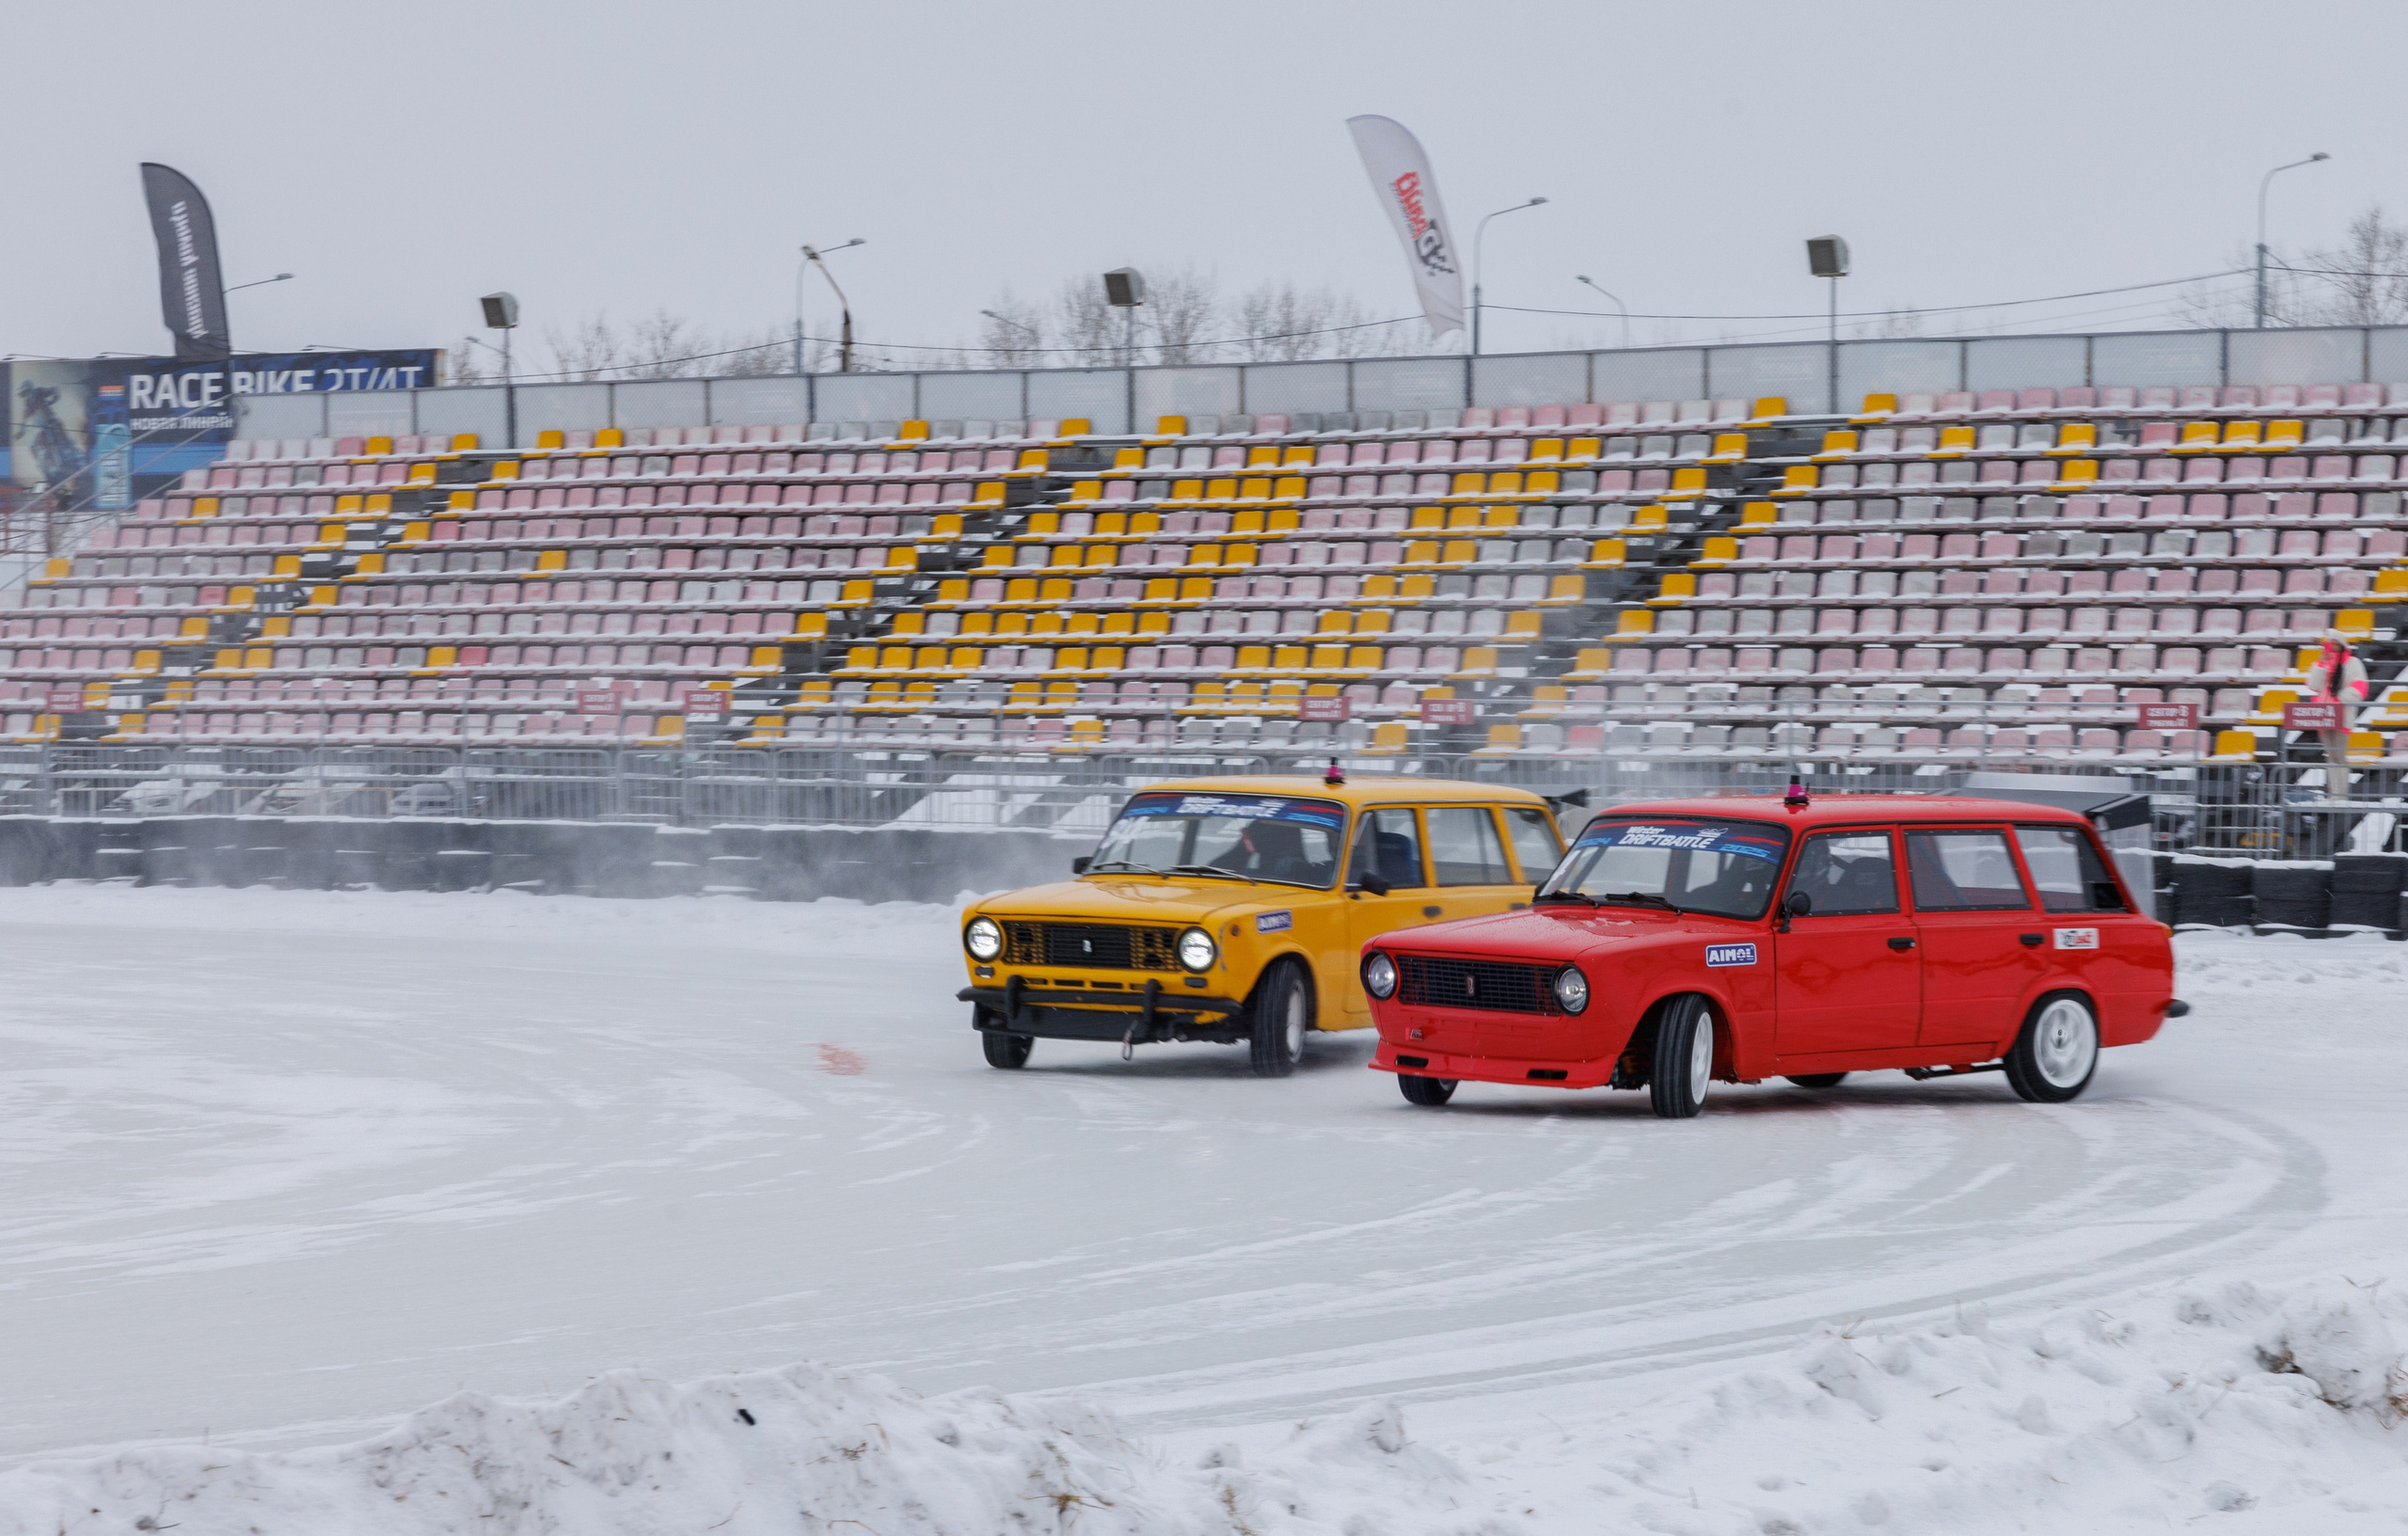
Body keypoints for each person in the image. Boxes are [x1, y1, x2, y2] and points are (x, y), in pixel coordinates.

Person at [2302, 627, 2370, 784]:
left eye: (2335, 644)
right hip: (2324, 716)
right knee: (2330, 757)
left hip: (2342, 715)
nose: (2332, 647)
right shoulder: (2321, 664)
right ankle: (2334, 795)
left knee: (2339, 756)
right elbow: (2314, 685)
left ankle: (2341, 795)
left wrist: (2337, 701)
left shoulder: (2353, 663)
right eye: (2329, 644)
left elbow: (2360, 687)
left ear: (2342, 646)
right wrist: (2321, 665)